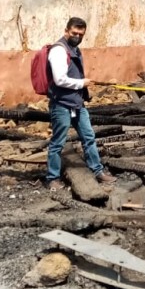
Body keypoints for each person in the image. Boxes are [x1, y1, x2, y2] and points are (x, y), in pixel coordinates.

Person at [46, 17, 116, 191]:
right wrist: (81, 83)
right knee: (58, 142)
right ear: (66, 31)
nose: (77, 36)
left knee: (88, 137)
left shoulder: (75, 49)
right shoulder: (59, 50)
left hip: (77, 104)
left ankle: (98, 171)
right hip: (61, 104)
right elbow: (59, 79)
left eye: (80, 34)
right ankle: (52, 178)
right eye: (74, 33)